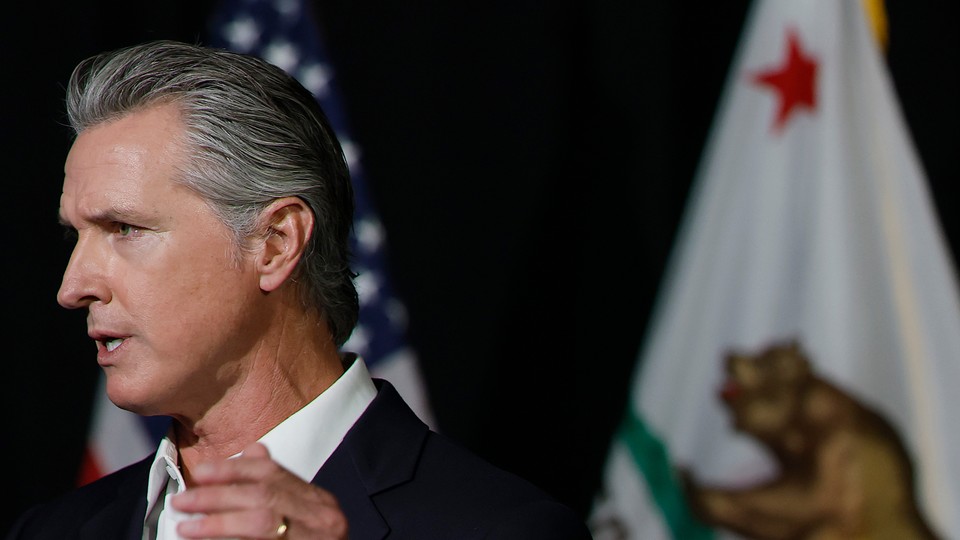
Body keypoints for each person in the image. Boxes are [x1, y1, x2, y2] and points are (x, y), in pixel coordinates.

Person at [6, 40, 593, 540]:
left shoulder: (500, 528)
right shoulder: (53, 530)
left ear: (276, 243)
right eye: (76, 237)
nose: (72, 287)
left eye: (125, 228)